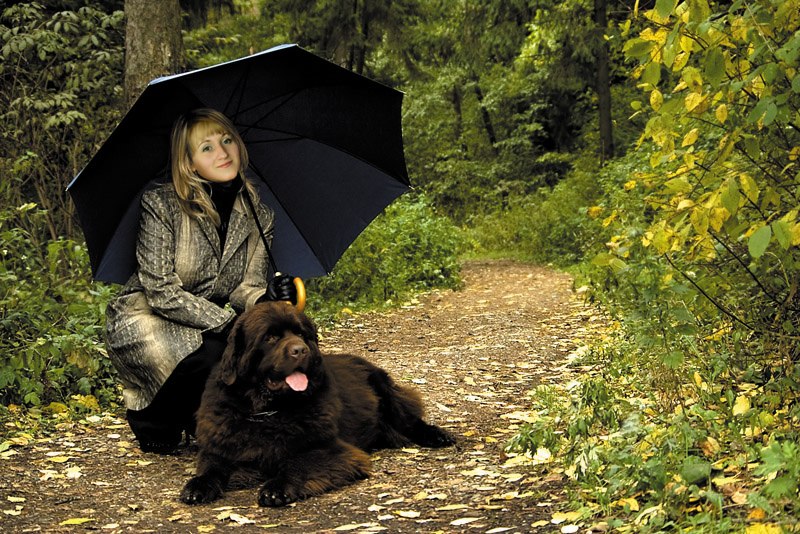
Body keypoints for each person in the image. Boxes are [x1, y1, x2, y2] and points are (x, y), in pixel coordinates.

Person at [105, 108, 297, 454]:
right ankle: (155, 421)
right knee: (213, 355)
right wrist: (228, 324)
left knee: (253, 349)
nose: (222, 152)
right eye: (206, 147)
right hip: (146, 316)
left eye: (227, 140)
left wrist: (267, 297)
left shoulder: (259, 214)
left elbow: (245, 287)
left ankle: (224, 424)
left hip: (204, 321)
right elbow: (160, 289)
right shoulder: (162, 204)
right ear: (189, 163)